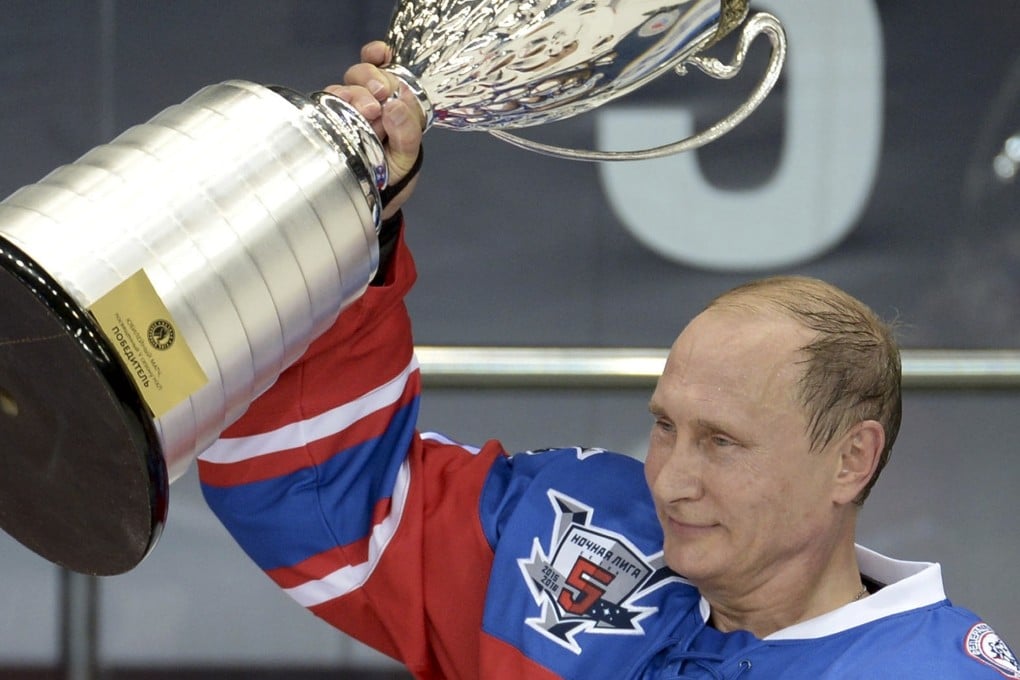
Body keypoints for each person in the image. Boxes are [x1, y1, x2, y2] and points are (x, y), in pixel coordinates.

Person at [196, 42, 1019, 679]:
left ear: (850, 460)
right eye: (665, 426)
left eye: (722, 442)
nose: (670, 479)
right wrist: (345, 227)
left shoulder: (934, 669)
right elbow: (311, 496)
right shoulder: (573, 533)